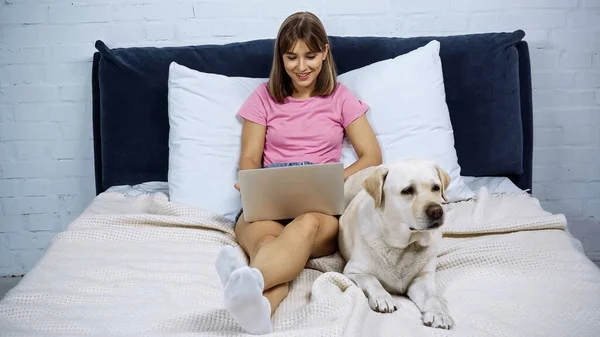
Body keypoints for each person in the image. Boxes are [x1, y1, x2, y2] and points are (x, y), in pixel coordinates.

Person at [214, 11, 382, 335]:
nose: (301, 66)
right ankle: (260, 311)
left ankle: (242, 281)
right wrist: (250, 182)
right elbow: (249, 156)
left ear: (325, 52)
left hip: (318, 209)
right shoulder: (262, 98)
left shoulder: (340, 97)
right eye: (291, 57)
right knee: (268, 243)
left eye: (310, 55)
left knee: (303, 228)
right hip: (269, 199)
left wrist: (335, 180)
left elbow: (371, 156)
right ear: (281, 57)